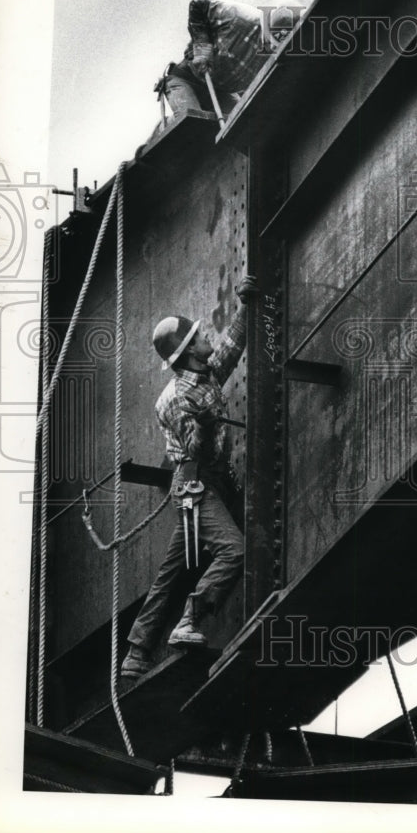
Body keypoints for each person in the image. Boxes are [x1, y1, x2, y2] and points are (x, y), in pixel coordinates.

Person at [121, 275, 258, 679]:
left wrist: (247, 305)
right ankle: (188, 622)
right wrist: (200, 426)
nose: (204, 336)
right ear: (188, 352)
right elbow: (194, 450)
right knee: (234, 550)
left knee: (172, 569)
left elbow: (232, 346)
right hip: (195, 482)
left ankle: (136, 651)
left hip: (206, 481)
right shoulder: (179, 398)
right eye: (197, 336)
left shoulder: (206, 372)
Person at [155, 0, 303, 119]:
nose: (272, 48)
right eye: (271, 40)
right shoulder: (238, 17)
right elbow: (198, 5)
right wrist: (202, 49)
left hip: (223, 93)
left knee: (239, 129)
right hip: (188, 80)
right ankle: (165, 127)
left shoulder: (282, 56)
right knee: (194, 124)